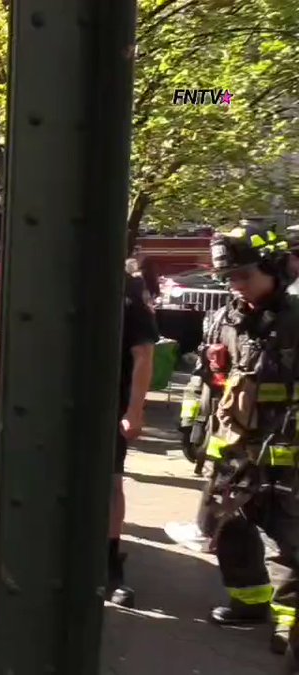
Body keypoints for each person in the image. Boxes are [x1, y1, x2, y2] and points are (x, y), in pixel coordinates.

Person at [179, 224, 299, 666]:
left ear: (273, 269)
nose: (236, 285)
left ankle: (290, 621)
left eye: (244, 275)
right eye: (230, 278)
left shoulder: (295, 322)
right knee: (226, 526)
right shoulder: (223, 317)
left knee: (290, 537)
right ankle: (249, 600)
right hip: (229, 448)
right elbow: (204, 378)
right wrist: (192, 424)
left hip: (285, 451)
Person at [109, 267, 159, 609]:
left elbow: (143, 353)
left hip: (107, 407)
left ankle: (108, 563)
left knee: (110, 483)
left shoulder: (126, 289)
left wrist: (134, 410)